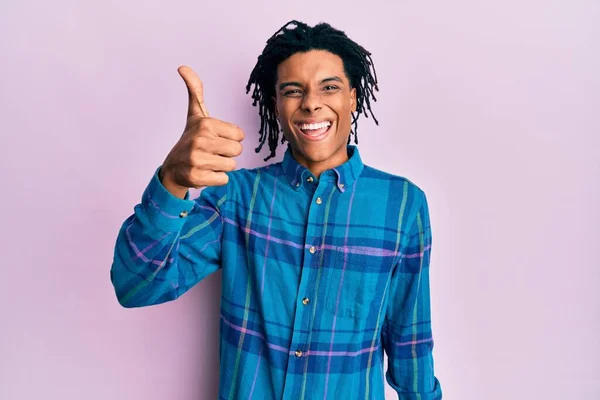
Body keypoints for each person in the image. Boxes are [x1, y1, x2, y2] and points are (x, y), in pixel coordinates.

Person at [110, 20, 442, 400]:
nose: (312, 103)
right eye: (293, 90)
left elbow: (410, 348)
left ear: (352, 97)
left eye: (329, 87)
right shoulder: (235, 197)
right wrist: (172, 179)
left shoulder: (401, 205)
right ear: (276, 105)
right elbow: (135, 285)